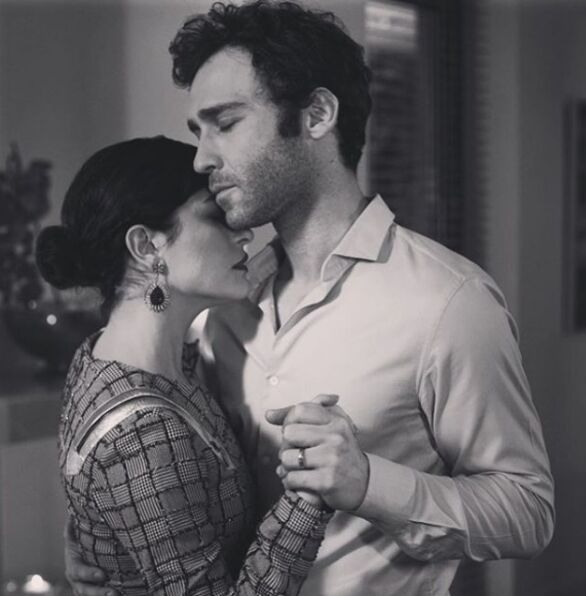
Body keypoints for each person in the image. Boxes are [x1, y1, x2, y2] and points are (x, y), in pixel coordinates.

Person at [67, 2, 555, 595]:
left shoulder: (449, 303)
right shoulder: (217, 306)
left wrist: (369, 483)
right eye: (198, 132)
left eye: (225, 123)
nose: (201, 158)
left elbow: (528, 511)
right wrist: (105, 539)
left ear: (317, 114)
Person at [36, 136, 334, 596]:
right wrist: (308, 496)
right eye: (215, 215)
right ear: (145, 245)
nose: (243, 232)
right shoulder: (142, 432)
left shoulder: (110, 355)